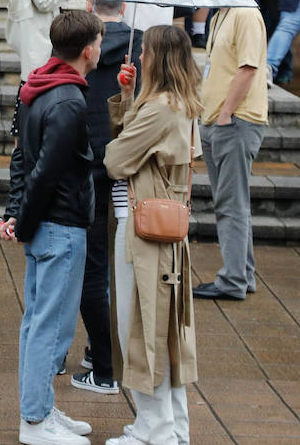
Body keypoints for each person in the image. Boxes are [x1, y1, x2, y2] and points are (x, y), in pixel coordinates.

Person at [0, 10, 103, 445]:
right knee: (52, 326)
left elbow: (22, 159)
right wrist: (21, 221)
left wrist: (15, 213)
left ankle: (39, 409)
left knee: (38, 322)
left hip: (46, 224)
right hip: (60, 226)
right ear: (87, 50)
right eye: (99, 41)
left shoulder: (35, 87)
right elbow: (44, 170)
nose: (100, 48)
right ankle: (36, 422)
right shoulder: (69, 101)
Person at [103, 25, 199, 445]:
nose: (139, 57)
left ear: (156, 58)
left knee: (140, 328)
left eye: (145, 52)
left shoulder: (159, 108)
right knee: (163, 329)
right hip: (167, 229)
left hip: (142, 228)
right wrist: (129, 99)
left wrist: (135, 105)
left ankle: (152, 430)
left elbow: (117, 159)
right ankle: (172, 427)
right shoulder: (180, 104)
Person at [65, 0, 140, 397]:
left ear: (92, 6)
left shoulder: (77, 45)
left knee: (92, 268)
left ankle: (105, 364)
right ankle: (102, 351)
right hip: (128, 169)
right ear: (125, 7)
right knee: (119, 268)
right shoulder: (140, 48)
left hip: (86, 163)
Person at [194, 0, 268, 302]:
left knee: (230, 205)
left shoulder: (245, 12)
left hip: (234, 123)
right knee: (231, 203)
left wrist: (225, 113)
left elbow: (249, 67)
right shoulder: (222, 12)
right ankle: (242, 275)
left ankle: (232, 280)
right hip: (216, 121)